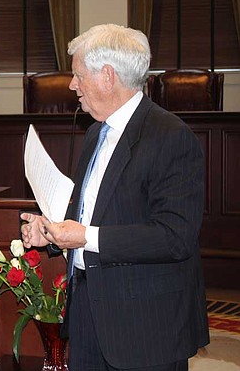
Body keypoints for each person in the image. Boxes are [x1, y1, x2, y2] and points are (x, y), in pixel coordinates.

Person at [21, 24, 209, 371]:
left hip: (145, 325)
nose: (71, 85)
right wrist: (50, 234)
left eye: (78, 75)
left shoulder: (171, 137)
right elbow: (92, 211)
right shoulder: (95, 133)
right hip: (88, 314)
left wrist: (83, 236)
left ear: (107, 76)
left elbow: (174, 237)